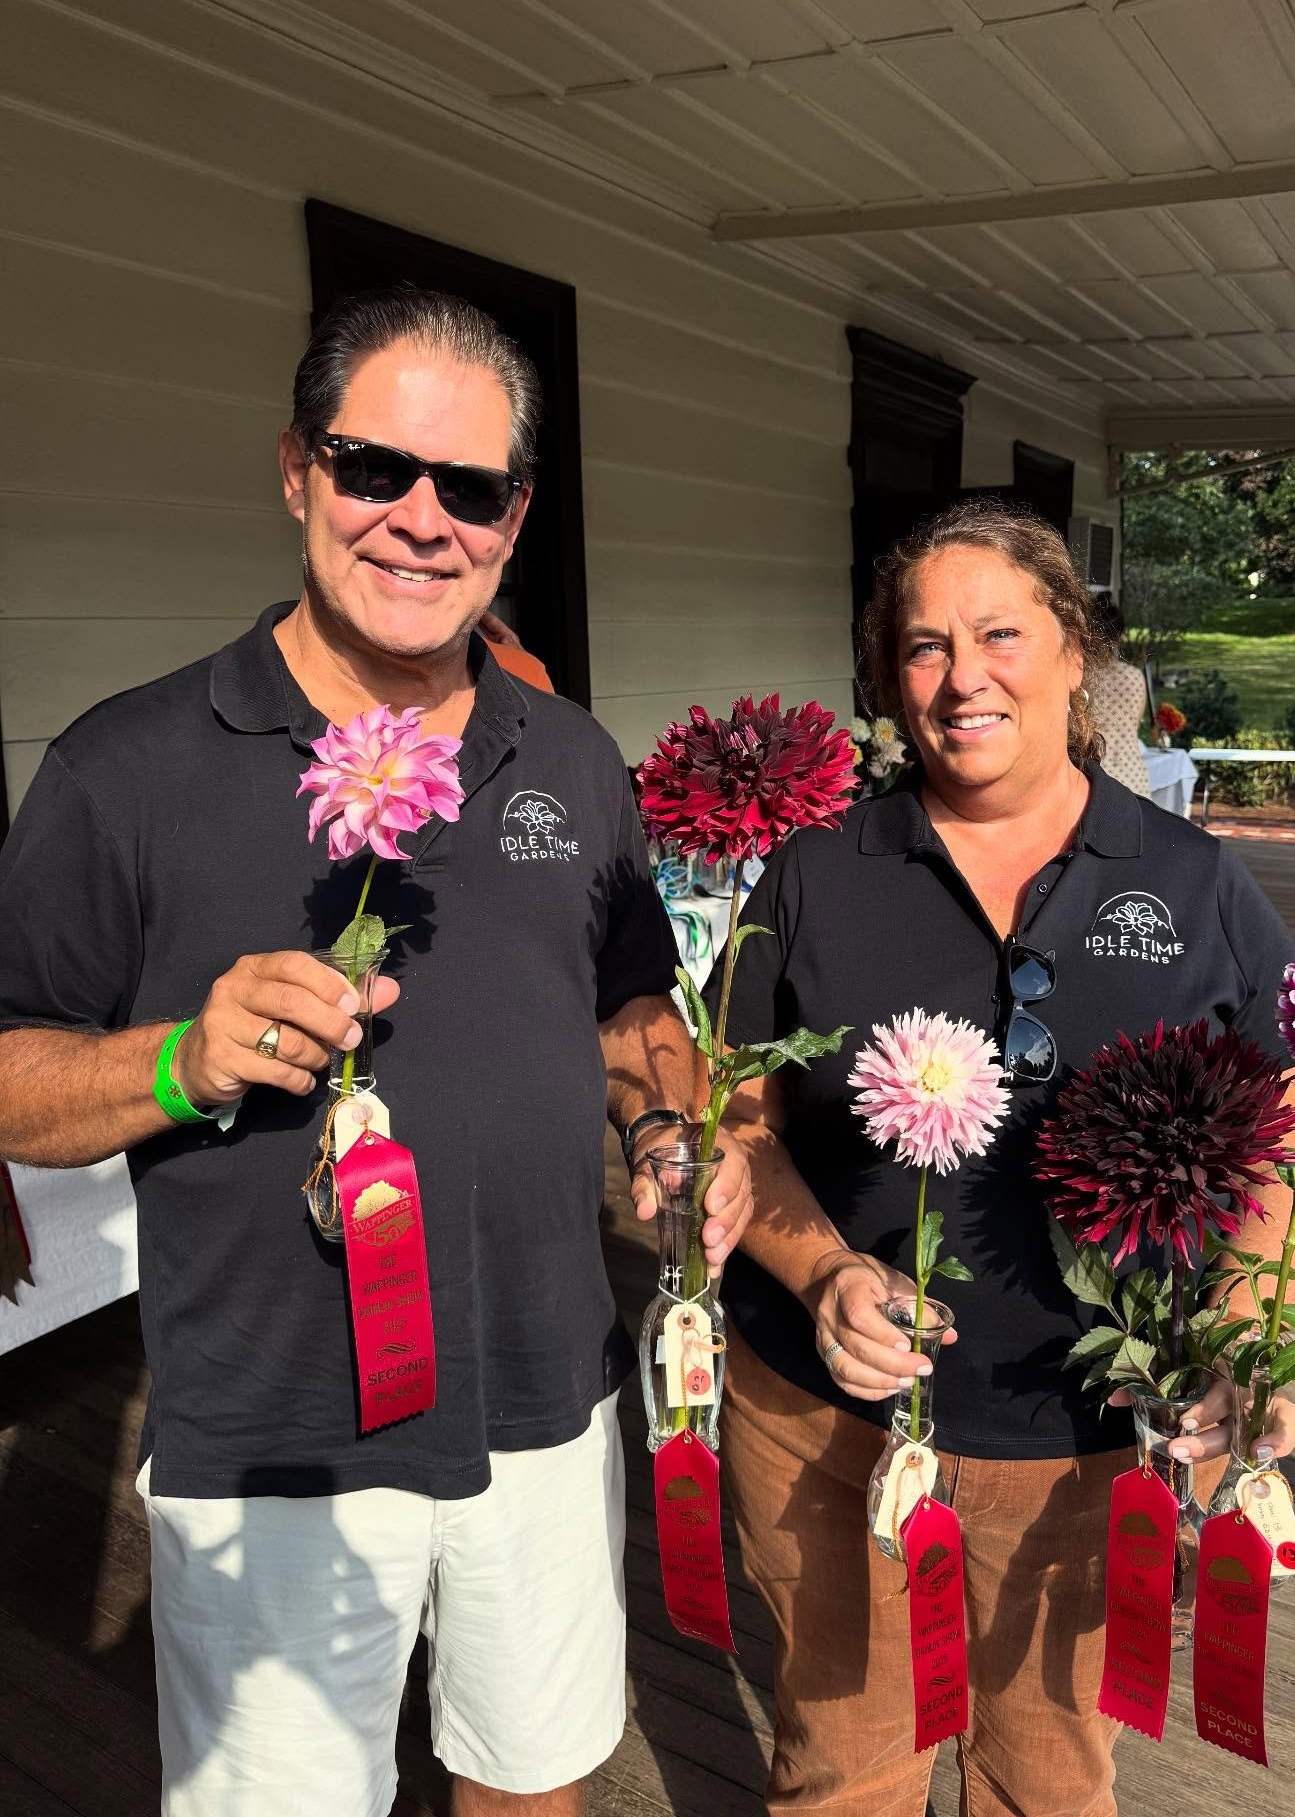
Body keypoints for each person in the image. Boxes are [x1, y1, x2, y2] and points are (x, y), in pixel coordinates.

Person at [0, 287, 752, 1817]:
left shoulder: (573, 757)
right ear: (296, 470)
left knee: (536, 1781)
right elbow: (13, 1076)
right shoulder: (128, 765)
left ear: (516, 517)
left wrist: (670, 1135)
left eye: (468, 488)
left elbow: (633, 1014)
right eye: (372, 470)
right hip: (277, 1426)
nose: (420, 521)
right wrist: (178, 1063)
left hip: (548, 1390)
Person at [714, 501, 1295, 1817]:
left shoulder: (1192, 882)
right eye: (925, 646)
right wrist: (825, 1271)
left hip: (1089, 1450)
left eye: (1000, 633)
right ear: (891, 675)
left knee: (1050, 1784)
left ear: (1075, 648)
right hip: (834, 1433)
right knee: (843, 1778)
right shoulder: (815, 876)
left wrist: (1240, 1327)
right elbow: (743, 1127)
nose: (963, 677)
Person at [1084, 596, 1150, 799]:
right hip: (1132, 775)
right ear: (1119, 637)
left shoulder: (1079, 677)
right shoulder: (1134, 677)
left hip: (1092, 776)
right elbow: (1136, 723)